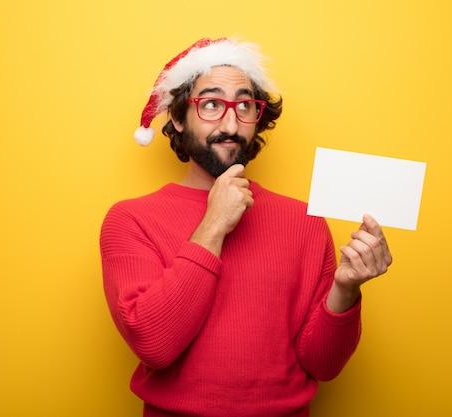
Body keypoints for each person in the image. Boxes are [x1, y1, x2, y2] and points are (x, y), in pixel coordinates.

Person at [100, 37, 392, 417]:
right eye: (210, 104)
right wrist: (214, 224)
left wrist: (346, 288)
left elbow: (323, 366)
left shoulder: (305, 221)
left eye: (245, 106)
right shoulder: (130, 219)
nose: (230, 123)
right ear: (176, 117)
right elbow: (155, 344)